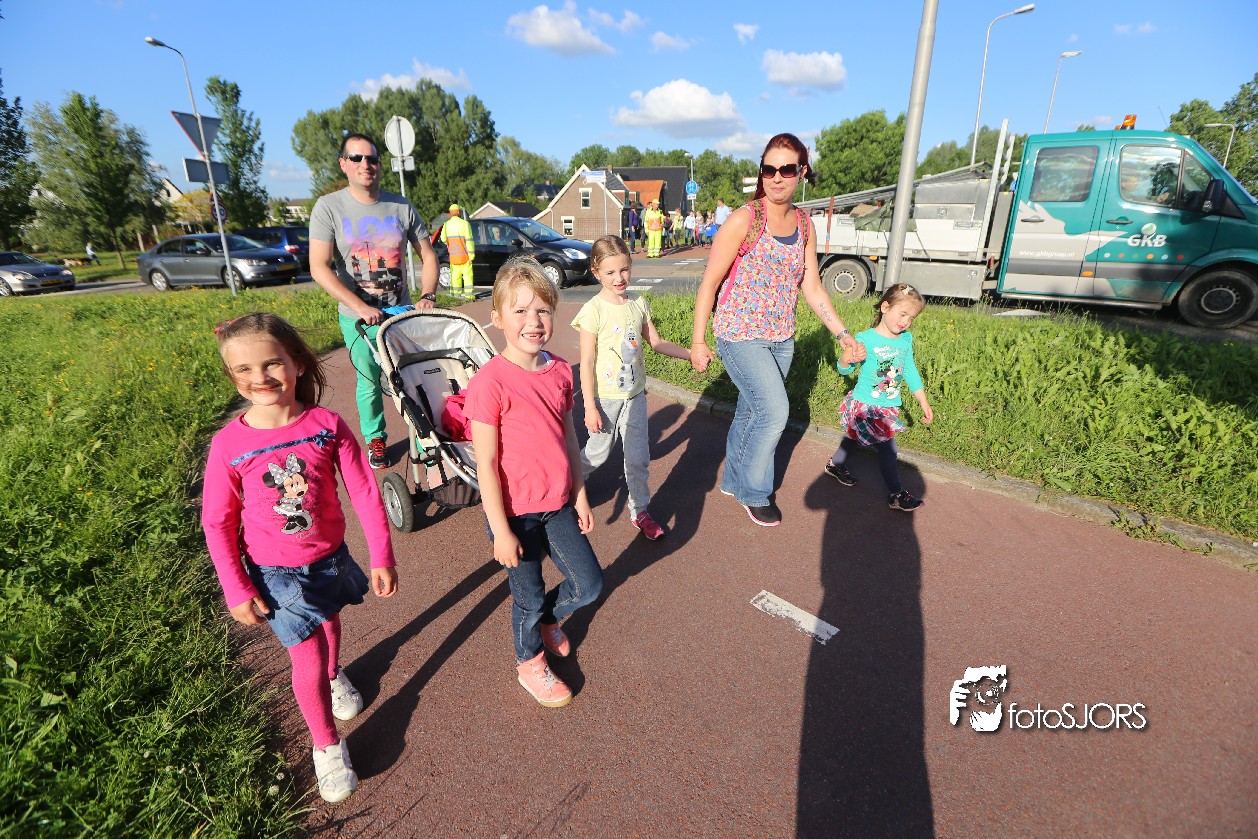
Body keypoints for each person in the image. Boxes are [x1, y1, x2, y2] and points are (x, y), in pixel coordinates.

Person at [202, 312, 399, 804]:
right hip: (275, 573)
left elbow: (363, 491)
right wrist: (236, 587)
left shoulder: (326, 425)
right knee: (306, 653)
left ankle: (335, 676)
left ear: (298, 364)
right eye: (244, 369)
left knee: (330, 619)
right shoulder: (228, 445)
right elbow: (217, 522)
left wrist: (382, 554)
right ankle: (326, 745)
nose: (260, 377)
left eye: (272, 364)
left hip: (330, 557)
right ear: (231, 375)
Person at [690, 132, 864, 527]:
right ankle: (755, 492)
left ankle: (733, 480)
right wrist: (699, 341)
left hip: (781, 338)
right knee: (774, 411)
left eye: (786, 169)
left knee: (752, 409)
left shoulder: (804, 224)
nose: (777, 177)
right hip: (738, 333)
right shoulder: (744, 219)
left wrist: (843, 334)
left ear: (801, 172)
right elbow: (710, 283)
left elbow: (812, 286)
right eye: (769, 170)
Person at [466, 257, 604, 708]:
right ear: (497, 318)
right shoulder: (489, 383)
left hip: (558, 504)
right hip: (514, 515)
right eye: (521, 310)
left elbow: (569, 437)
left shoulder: (560, 371)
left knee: (588, 584)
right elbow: (486, 463)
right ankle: (529, 661)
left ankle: (549, 621)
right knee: (526, 596)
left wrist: (580, 494)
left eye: (543, 309)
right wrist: (501, 530)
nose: (533, 321)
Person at [309, 133, 439, 470]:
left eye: (372, 158)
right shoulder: (329, 207)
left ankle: (423, 437)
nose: (365, 164)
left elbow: (427, 254)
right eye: (357, 158)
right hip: (358, 317)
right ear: (344, 164)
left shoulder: (400, 206)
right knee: (368, 381)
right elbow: (319, 267)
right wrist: (360, 306)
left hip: (400, 311)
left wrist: (427, 296)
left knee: (412, 376)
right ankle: (375, 438)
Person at [573, 236, 691, 540]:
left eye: (624, 269)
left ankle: (640, 511)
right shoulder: (593, 310)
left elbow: (657, 342)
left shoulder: (638, 302)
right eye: (610, 272)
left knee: (638, 458)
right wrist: (589, 407)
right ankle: (568, 485)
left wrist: (691, 355)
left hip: (635, 396)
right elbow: (586, 362)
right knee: (597, 453)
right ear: (596, 272)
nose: (619, 278)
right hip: (605, 398)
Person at [825, 283, 934, 511]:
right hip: (867, 405)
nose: (906, 321)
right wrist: (846, 359)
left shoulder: (905, 340)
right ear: (885, 307)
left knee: (853, 437)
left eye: (911, 318)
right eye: (902, 314)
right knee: (888, 449)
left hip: (888, 405)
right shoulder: (866, 339)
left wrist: (922, 400)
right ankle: (896, 494)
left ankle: (835, 464)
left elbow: (909, 369)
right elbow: (844, 369)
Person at [441, 203, 476, 299]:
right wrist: (471, 256)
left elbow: (443, 238)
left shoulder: (446, 225)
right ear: (459, 212)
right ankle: (469, 296)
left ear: (450, 213)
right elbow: (469, 241)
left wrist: (450, 244)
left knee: (455, 277)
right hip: (465, 256)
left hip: (453, 256)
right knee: (467, 277)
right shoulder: (465, 224)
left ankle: (456, 296)